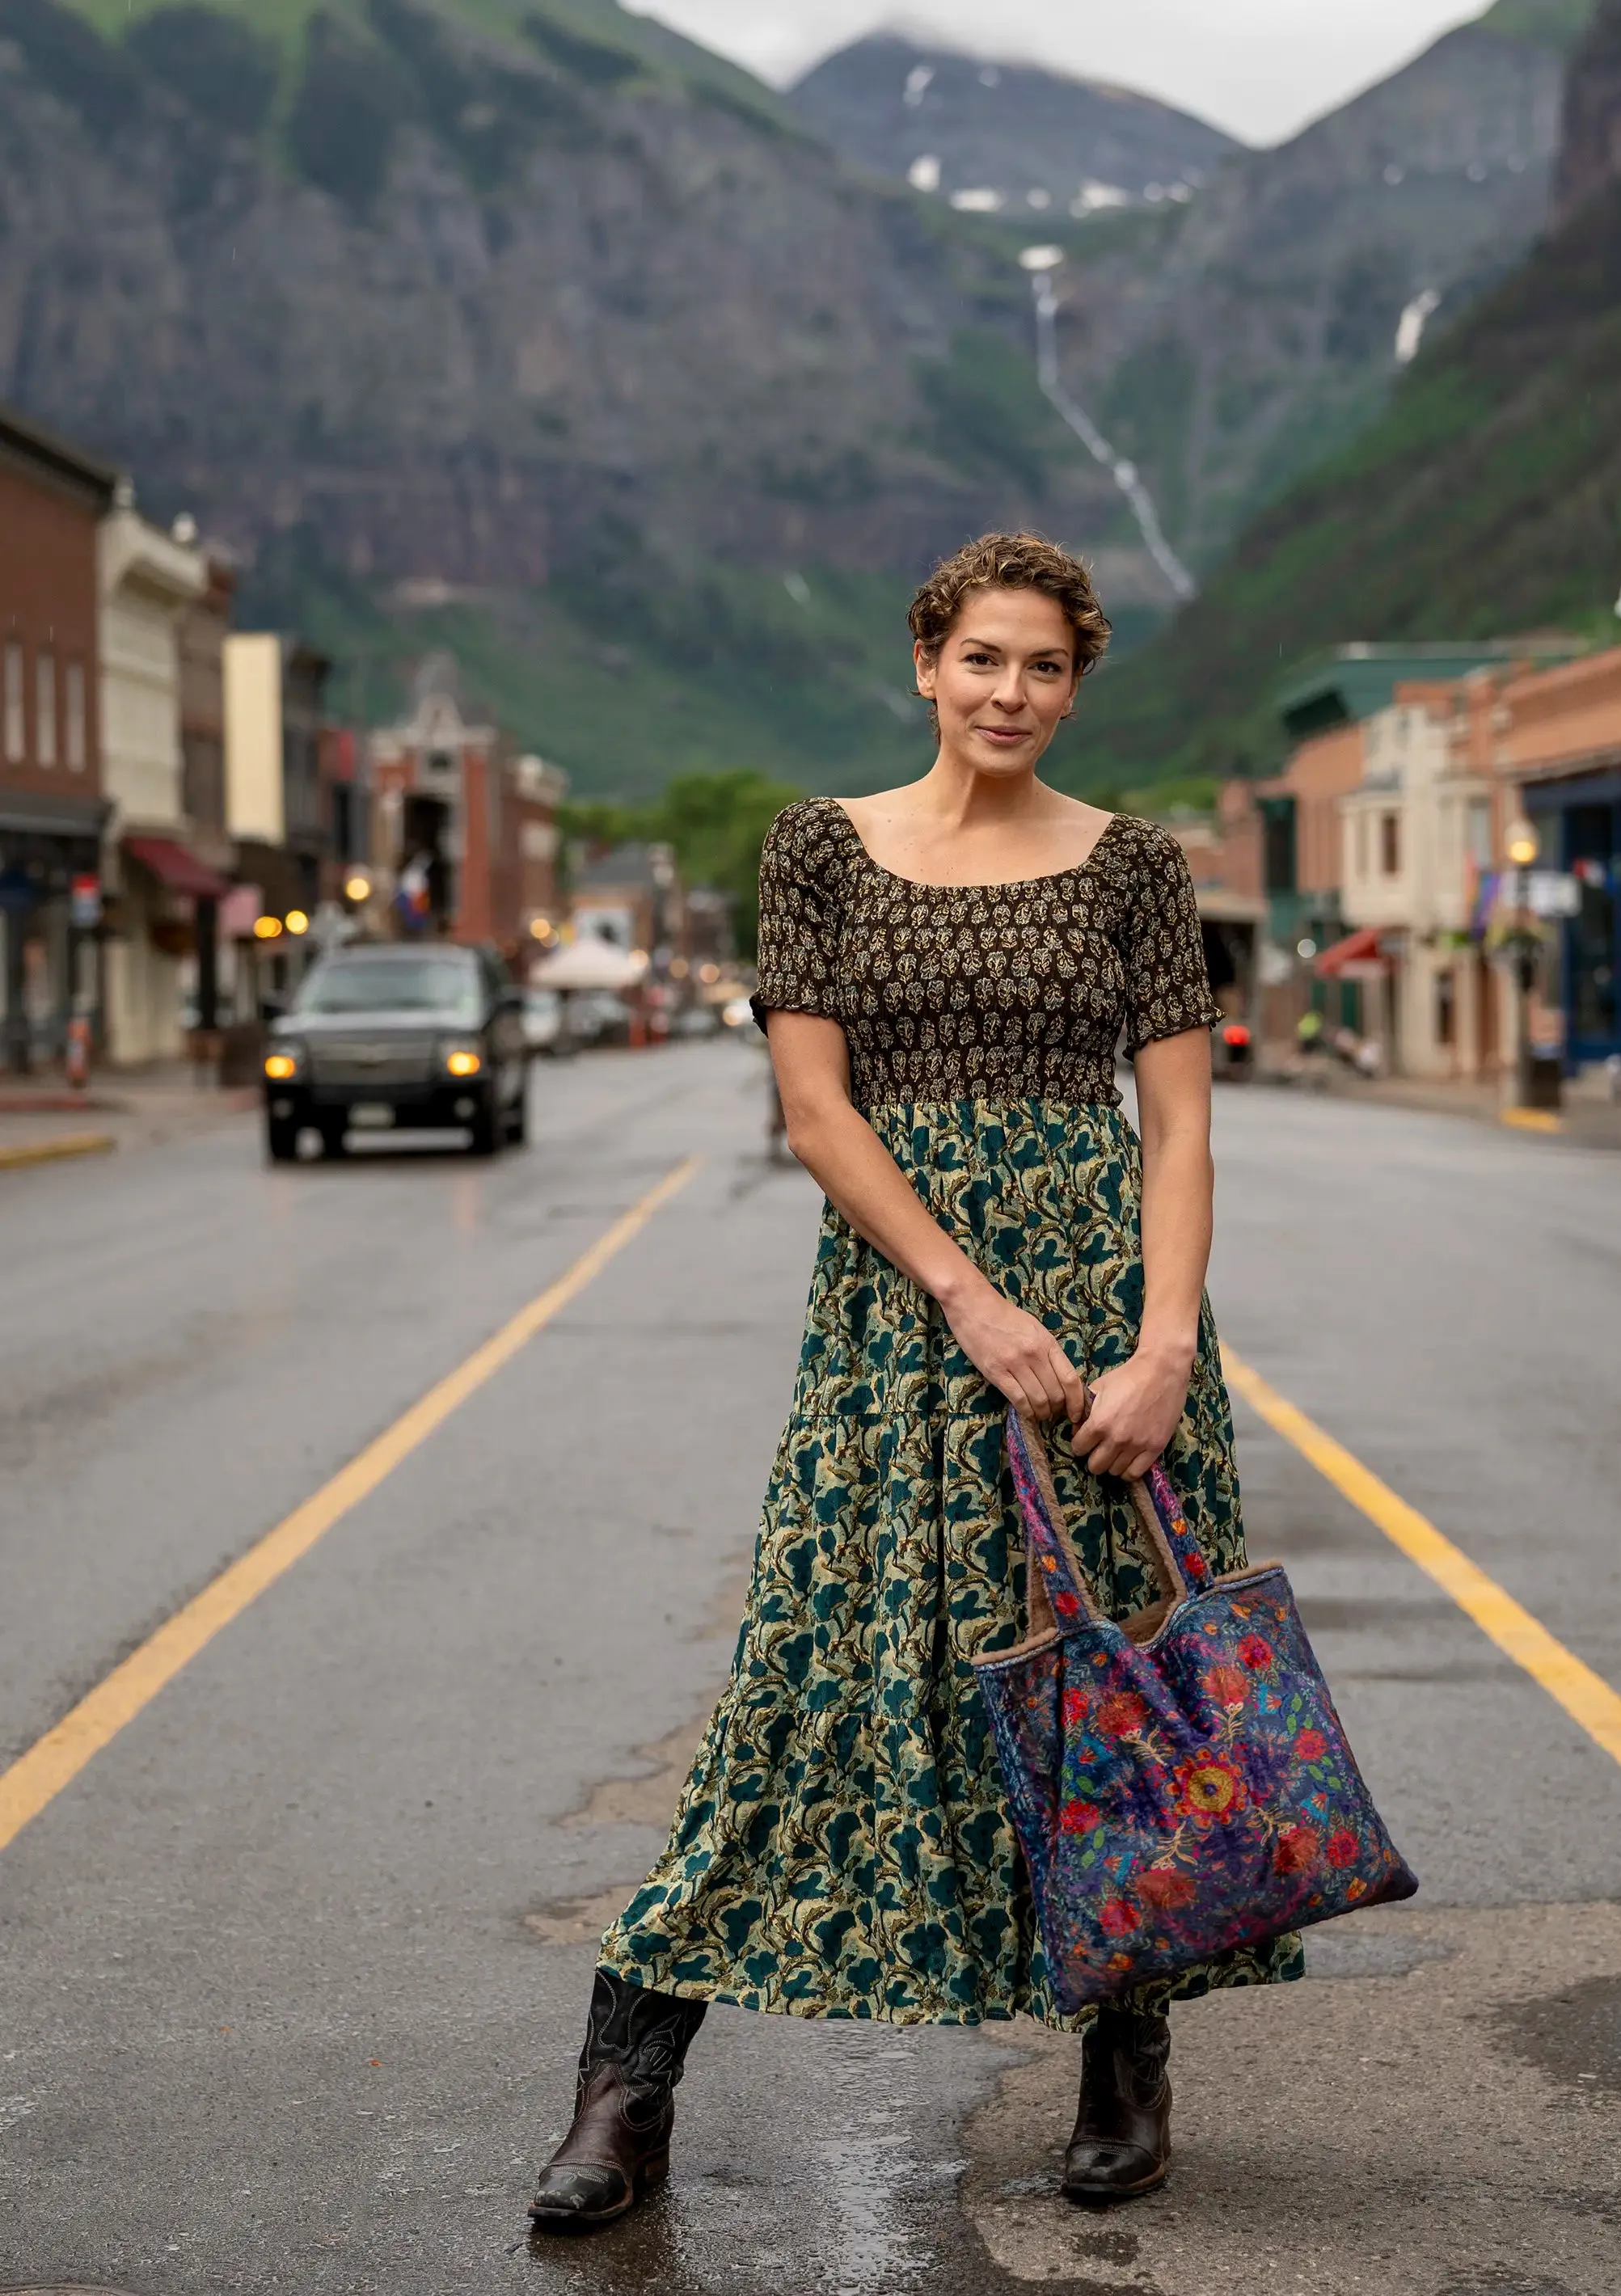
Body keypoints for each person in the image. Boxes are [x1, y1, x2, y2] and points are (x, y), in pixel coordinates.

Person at [530, 532, 1302, 2231]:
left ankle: (1125, 2059)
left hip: (1106, 1313)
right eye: (983, 660)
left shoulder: (1134, 870)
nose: (1012, 693)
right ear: (926, 665)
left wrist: (1162, 1345)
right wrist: (962, 1293)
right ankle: (625, 2087)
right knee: (809, 1680)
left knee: (1116, 1693)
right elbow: (815, 1113)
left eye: (1045, 667)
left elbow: (1177, 1124)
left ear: (1075, 683)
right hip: (901, 1326)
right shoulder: (823, 850)